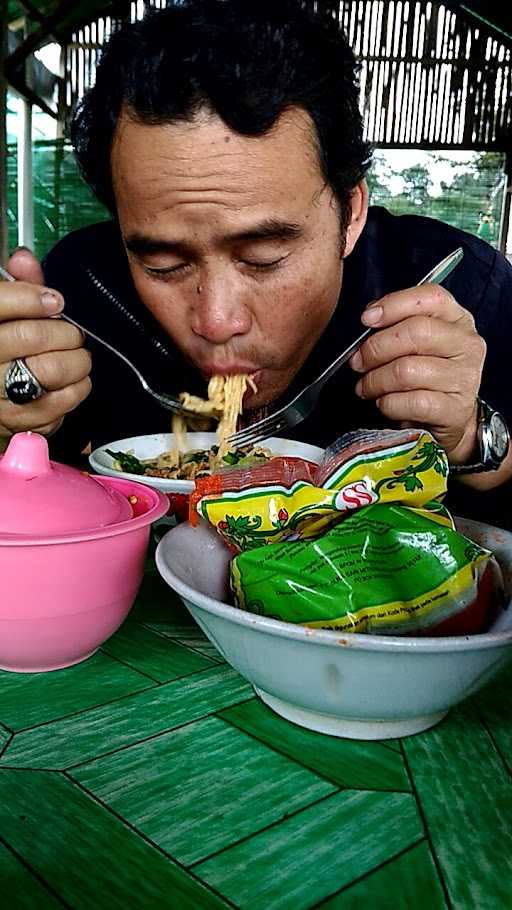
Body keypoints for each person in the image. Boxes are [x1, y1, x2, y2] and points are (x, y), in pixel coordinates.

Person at [2, 0, 512, 527]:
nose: (218, 321)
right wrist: (12, 425)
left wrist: (475, 441)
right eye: (163, 263)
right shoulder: (81, 289)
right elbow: (33, 495)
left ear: (350, 214)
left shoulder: (460, 286)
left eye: (263, 257)